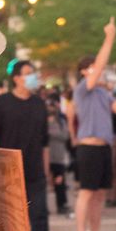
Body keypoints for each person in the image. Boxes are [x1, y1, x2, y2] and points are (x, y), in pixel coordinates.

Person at [0, 60, 53, 231]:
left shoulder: (39, 104)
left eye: (33, 73)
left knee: (39, 215)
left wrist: (47, 169)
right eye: (27, 73)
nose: (32, 77)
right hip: (8, 169)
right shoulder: (2, 103)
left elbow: (45, 141)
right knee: (8, 217)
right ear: (16, 78)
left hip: (35, 170)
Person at [69, 20, 116, 231]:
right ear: (84, 71)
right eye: (93, 67)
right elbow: (99, 67)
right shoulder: (83, 88)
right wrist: (109, 38)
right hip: (89, 147)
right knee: (86, 192)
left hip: (105, 147)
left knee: (100, 194)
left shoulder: (103, 93)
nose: (99, 69)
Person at [45, 86, 73, 217]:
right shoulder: (43, 121)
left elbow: (65, 136)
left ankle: (62, 205)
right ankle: (43, 207)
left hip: (59, 156)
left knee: (60, 183)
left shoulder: (61, 121)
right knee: (44, 183)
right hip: (46, 157)